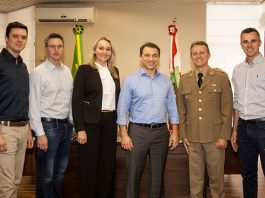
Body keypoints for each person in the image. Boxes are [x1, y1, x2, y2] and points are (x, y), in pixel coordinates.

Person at [117, 42, 179, 198]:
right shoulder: (130, 80)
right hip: (137, 132)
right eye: (147, 55)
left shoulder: (166, 81)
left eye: (154, 55)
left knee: (158, 177)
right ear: (140, 57)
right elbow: (122, 109)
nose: (151, 59)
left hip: (161, 133)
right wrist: (124, 134)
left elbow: (172, 107)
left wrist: (175, 132)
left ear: (158, 58)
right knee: (133, 175)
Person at [177, 41, 233, 198]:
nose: (198, 56)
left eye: (202, 52)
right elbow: (182, 110)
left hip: (215, 138)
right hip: (193, 137)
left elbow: (227, 109)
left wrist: (224, 136)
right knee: (195, 182)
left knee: (216, 181)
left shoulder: (221, 77)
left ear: (208, 55)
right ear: (191, 57)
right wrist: (184, 135)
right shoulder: (184, 80)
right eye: (195, 53)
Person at [72, 36, 120, 198]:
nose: (104, 52)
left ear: (111, 52)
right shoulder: (84, 70)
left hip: (110, 123)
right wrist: (80, 129)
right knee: (89, 167)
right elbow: (76, 101)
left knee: (107, 167)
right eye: (101, 48)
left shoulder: (115, 71)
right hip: (89, 124)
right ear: (94, 50)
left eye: (108, 49)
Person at [29, 33, 73, 198]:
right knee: (46, 175)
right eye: (52, 46)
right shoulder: (38, 73)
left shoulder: (67, 71)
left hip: (66, 127)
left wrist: (73, 124)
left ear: (63, 48)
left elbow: (69, 101)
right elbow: (33, 105)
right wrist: (39, 134)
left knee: (60, 172)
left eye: (59, 46)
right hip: (48, 128)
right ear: (46, 48)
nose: (56, 50)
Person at [0, 21, 33, 198]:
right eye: (15, 36)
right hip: (4, 130)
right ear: (6, 38)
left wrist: (28, 129)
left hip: (22, 129)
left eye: (23, 37)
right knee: (6, 184)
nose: (20, 40)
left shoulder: (22, 66)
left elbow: (24, 100)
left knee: (16, 182)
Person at [231, 27, 265, 198]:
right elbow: (237, 102)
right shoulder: (237, 70)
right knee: (248, 175)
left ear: (260, 42)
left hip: (263, 127)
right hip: (243, 128)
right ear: (241, 44)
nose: (249, 45)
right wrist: (235, 129)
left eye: (253, 41)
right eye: (245, 41)